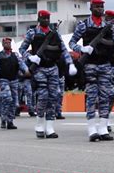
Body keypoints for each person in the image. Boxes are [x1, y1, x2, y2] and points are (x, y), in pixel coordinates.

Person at [69, 0, 114, 142]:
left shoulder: (108, 26)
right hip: (90, 65)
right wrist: (82, 48)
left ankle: (103, 128)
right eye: (97, 7)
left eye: (102, 7)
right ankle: (92, 128)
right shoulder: (83, 25)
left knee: (106, 97)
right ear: (91, 8)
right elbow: (71, 42)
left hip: (105, 66)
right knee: (92, 97)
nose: (100, 9)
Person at [19, 9, 77, 139]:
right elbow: (21, 49)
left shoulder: (54, 34)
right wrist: (30, 57)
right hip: (40, 68)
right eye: (43, 18)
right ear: (39, 19)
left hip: (53, 68)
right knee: (43, 96)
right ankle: (39, 123)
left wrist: (70, 63)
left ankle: (50, 127)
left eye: (47, 18)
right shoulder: (32, 33)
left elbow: (63, 49)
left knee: (54, 97)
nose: (46, 20)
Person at [0, 37, 29, 129]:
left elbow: (22, 64)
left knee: (14, 102)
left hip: (14, 80)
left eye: (9, 43)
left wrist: (26, 70)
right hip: (4, 80)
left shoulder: (15, 55)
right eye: (6, 43)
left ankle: (10, 121)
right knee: (7, 98)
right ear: (2, 44)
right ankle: (3, 118)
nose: (8, 44)